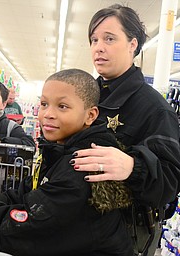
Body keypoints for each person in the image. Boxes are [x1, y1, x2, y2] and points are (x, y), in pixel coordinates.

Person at [0, 69, 134, 256]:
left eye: (62, 106)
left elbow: (27, 227)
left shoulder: (84, 165)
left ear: (90, 115)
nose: (48, 115)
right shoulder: (60, 151)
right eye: (44, 104)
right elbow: (23, 194)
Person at [70, 4, 180, 255]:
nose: (98, 47)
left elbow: (171, 181)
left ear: (132, 44)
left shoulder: (155, 109)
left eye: (109, 38)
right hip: (74, 228)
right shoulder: (85, 96)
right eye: (94, 39)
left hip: (122, 239)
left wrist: (132, 167)